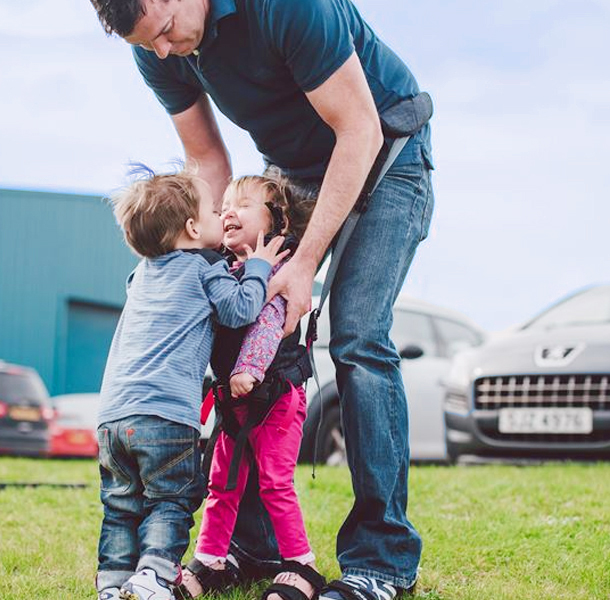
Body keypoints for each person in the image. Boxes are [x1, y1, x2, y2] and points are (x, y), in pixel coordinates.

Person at [89, 2, 435, 599]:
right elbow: (207, 162)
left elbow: (359, 129)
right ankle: (247, 549)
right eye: (149, 46)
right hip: (286, 176)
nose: (165, 52)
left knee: (355, 335)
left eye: (167, 31)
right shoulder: (160, 49)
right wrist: (194, 265)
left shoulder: (284, 6)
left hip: (382, 153)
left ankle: (383, 562)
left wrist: (302, 266)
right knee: (236, 326)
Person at [96, 166, 290, 600]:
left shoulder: (140, 275)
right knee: (171, 501)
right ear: (190, 227)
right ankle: (154, 577)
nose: (222, 216)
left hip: (112, 418)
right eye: (213, 210)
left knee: (121, 507)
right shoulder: (205, 268)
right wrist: (258, 267)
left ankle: (112, 585)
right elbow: (240, 310)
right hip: (166, 415)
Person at [180, 173, 321, 600]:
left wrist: (250, 369)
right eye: (225, 205)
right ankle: (211, 557)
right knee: (221, 484)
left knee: (275, 481)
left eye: (242, 204)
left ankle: (300, 564)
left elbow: (269, 320)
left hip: (273, 398)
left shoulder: (281, 267)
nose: (228, 212)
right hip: (232, 403)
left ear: (277, 222)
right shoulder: (227, 269)